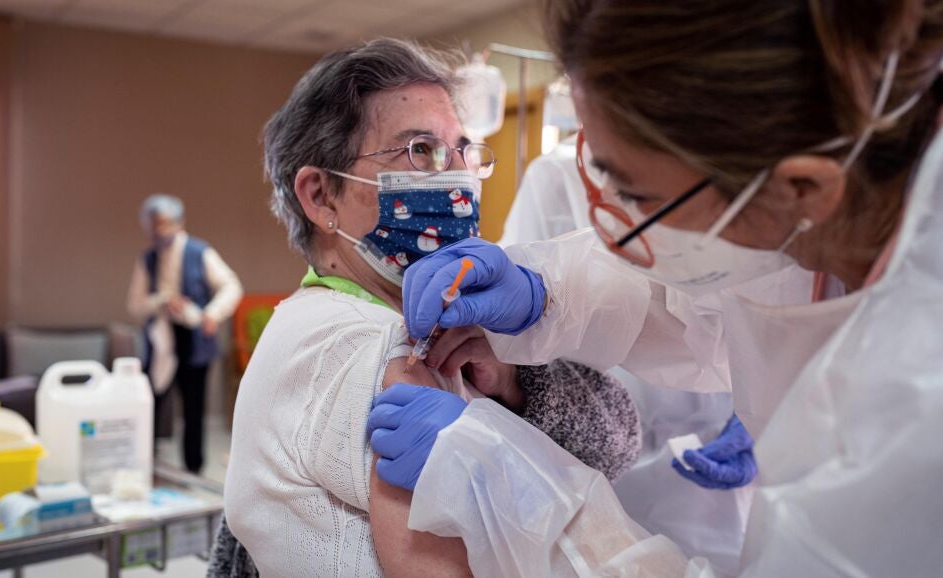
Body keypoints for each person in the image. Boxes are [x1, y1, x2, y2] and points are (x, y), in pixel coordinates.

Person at [370, 0, 943, 575]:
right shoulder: (827, 214)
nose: (609, 227)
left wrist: (508, 490)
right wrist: (544, 291)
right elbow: (690, 304)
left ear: (801, 189)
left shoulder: (919, 400)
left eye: (638, 195)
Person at [223, 38, 642, 578]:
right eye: (421, 151)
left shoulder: (457, 326)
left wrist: (513, 378)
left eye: (462, 151)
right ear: (321, 195)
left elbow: (620, 441)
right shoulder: (370, 342)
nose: (457, 179)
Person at [501, 142, 750, 575]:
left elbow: (733, 316)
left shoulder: (737, 180)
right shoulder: (555, 179)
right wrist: (540, 295)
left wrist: (768, 416)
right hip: (598, 465)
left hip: (717, 496)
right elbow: (643, 300)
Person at [126, 194, 242, 474]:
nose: (159, 231)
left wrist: (212, 315)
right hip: (160, 341)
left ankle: (193, 469)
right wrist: (162, 301)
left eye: (164, 223)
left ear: (179, 223)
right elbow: (135, 305)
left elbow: (231, 286)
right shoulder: (148, 259)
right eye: (153, 225)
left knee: (193, 409)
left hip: (194, 340)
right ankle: (147, 465)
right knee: (151, 403)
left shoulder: (199, 252)